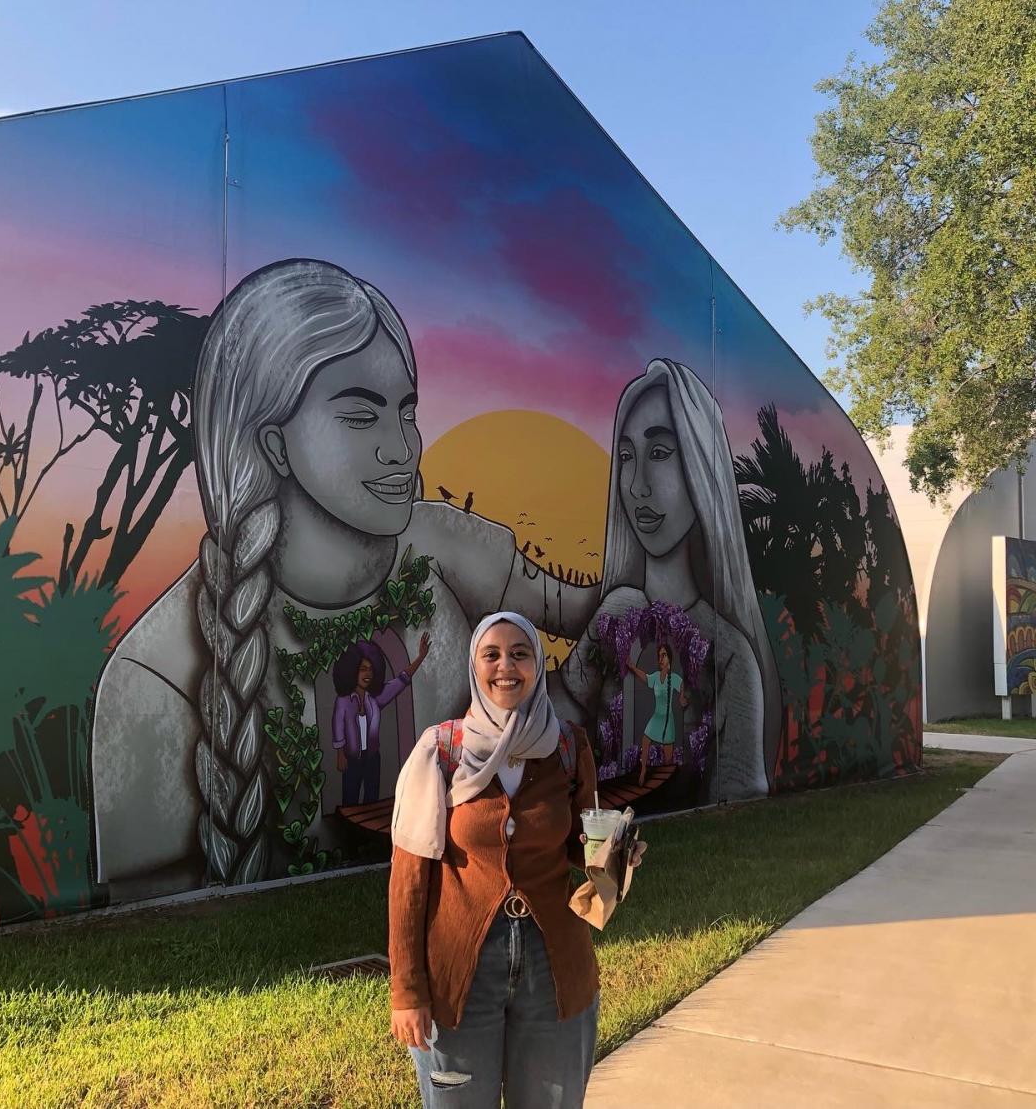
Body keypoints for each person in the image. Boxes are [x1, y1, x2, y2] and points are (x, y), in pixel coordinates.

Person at [91, 259, 601, 897]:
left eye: (406, 412)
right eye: (362, 418)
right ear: (275, 444)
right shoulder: (156, 675)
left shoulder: (447, 546)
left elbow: (581, 616)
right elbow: (151, 911)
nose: (402, 447)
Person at [389, 611, 599, 1108]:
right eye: (492, 654)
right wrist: (408, 992)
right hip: (460, 975)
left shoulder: (568, 746)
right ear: (474, 666)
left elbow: (585, 845)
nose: (506, 666)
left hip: (554, 970)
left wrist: (616, 856)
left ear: (537, 665)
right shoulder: (440, 751)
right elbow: (407, 882)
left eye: (520, 653)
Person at [560, 358, 781, 803]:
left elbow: (738, 790)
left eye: (659, 453)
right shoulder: (616, 610)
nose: (637, 484)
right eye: (626, 457)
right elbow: (557, 717)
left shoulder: (732, 653)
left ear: (702, 467)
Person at [332, 632, 431, 806]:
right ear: (352, 670)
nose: (367, 673)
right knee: (349, 802)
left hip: (372, 759)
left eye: (370, 669)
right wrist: (340, 754)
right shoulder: (343, 701)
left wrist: (420, 657)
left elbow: (401, 680)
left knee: (372, 800)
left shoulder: (375, 699)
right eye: (363, 669)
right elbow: (338, 726)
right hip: (351, 760)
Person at [627, 642, 687, 786]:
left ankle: (666, 784)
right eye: (659, 656)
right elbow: (645, 677)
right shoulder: (655, 677)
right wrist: (633, 667)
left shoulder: (673, 679)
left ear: (669, 660)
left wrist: (682, 697)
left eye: (664, 655)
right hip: (656, 718)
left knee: (668, 760)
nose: (660, 659)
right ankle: (643, 770)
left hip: (668, 720)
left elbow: (682, 684)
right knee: (645, 740)